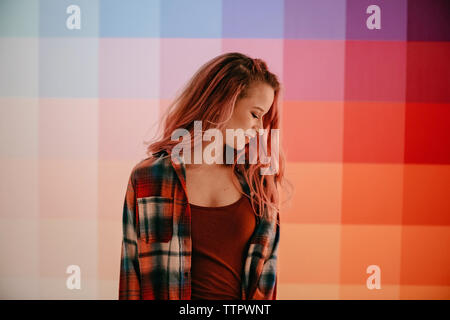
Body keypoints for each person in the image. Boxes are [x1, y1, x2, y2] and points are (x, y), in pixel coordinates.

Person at [119, 52, 291, 300]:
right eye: (255, 114)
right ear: (224, 102)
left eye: (264, 118)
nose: (259, 127)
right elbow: (131, 275)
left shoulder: (260, 184)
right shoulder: (148, 177)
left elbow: (265, 285)